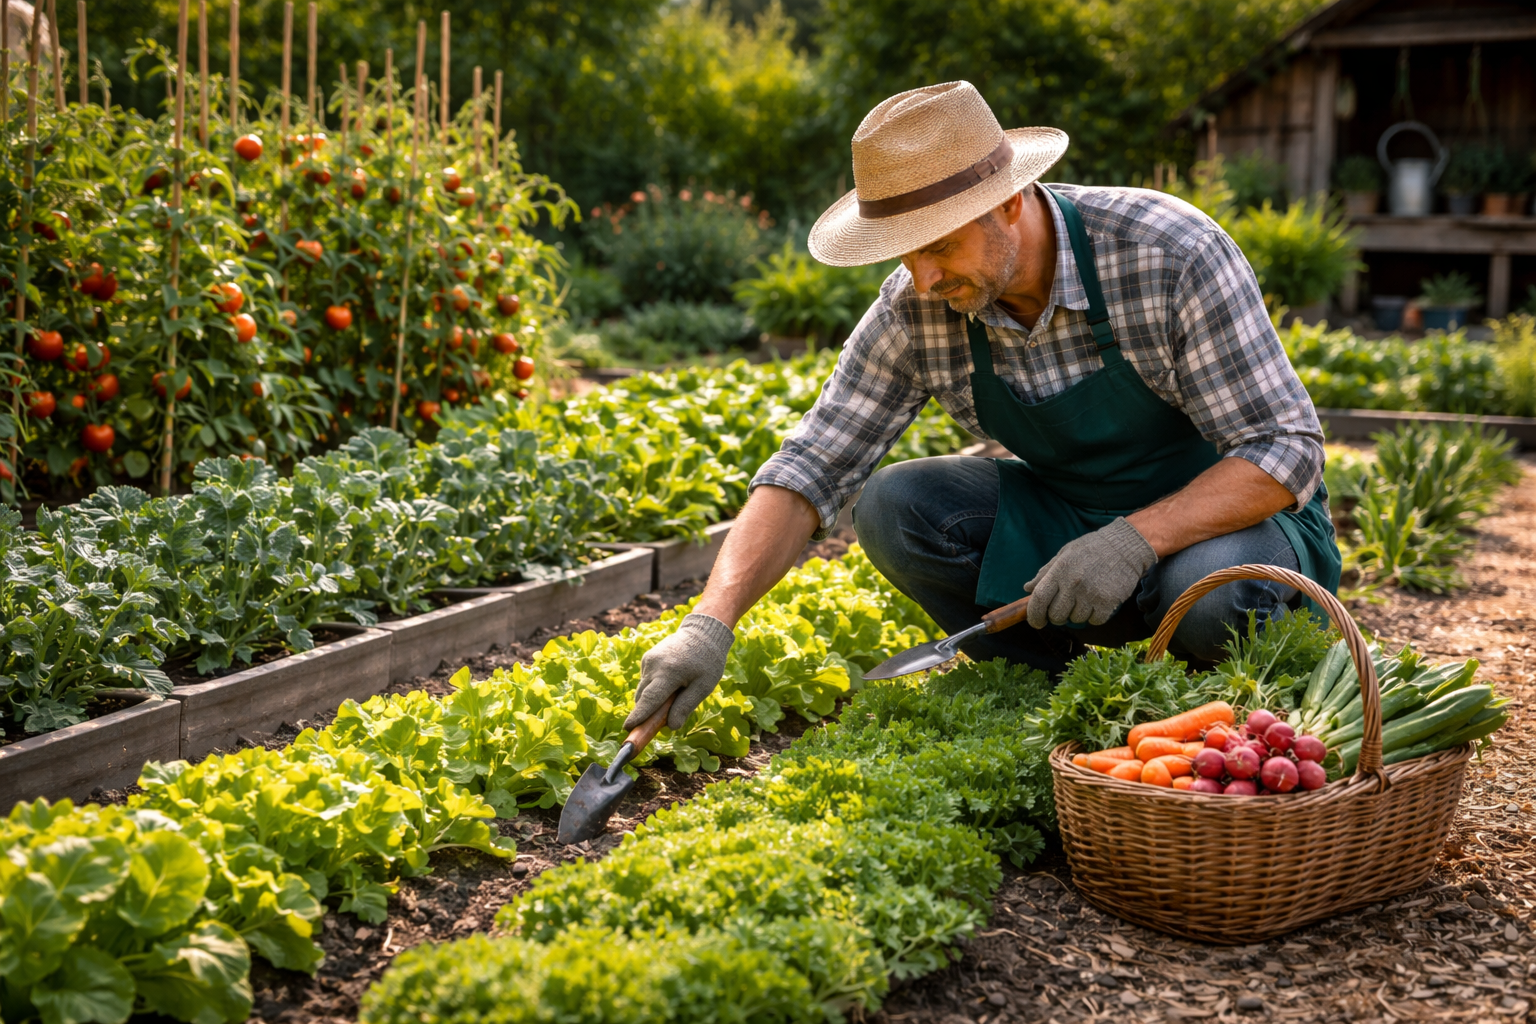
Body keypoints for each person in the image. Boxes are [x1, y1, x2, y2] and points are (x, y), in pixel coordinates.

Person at [626, 80, 1340, 733]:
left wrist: (1133, 540)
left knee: (1211, 599)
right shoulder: (917, 308)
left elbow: (1285, 447)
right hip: (1072, 518)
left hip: (1236, 523)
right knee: (895, 505)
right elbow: (814, 464)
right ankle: (1071, 695)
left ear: (1009, 200)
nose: (925, 278)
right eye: (903, 255)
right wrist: (709, 623)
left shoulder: (1165, 252)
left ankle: (1207, 702)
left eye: (939, 246)